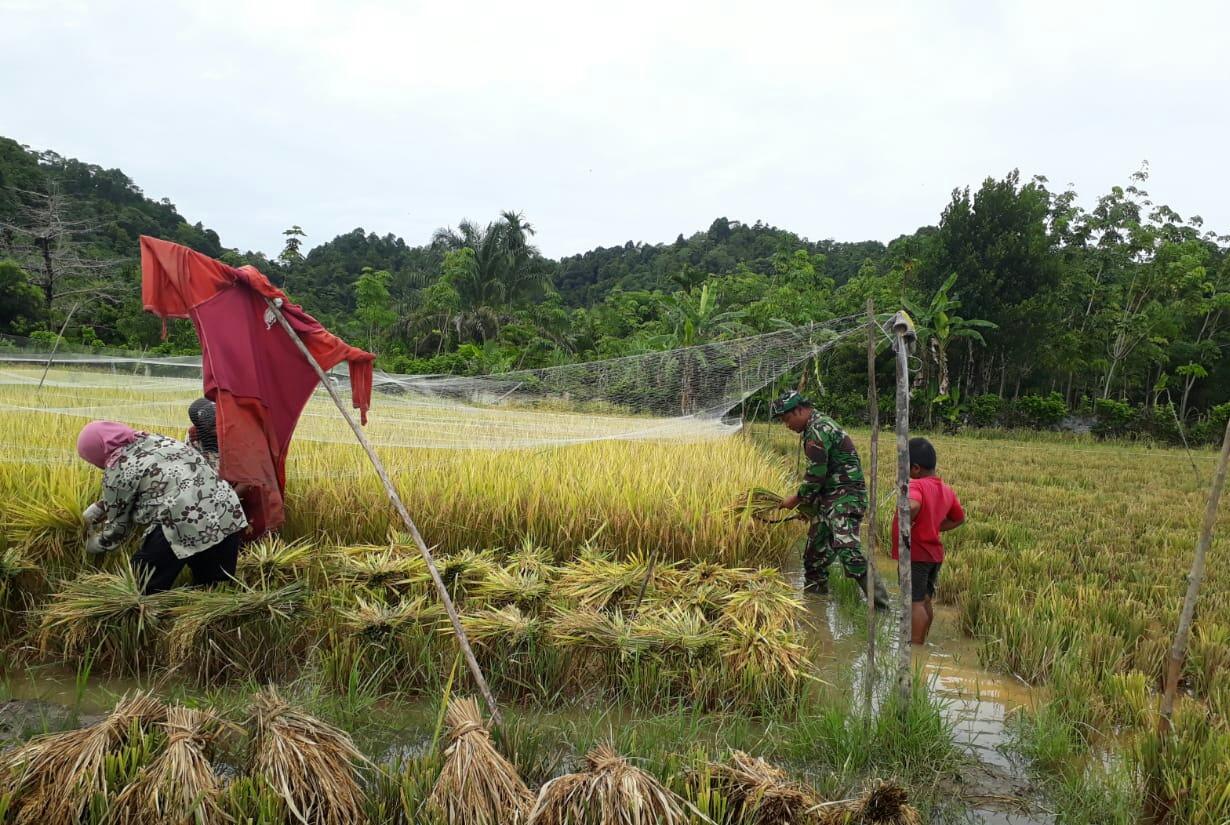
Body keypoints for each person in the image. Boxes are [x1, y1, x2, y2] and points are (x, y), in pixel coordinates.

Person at [76, 420, 248, 595]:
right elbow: (159, 480)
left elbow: (117, 527)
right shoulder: (155, 440)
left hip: (182, 517)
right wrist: (100, 506)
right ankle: (212, 619)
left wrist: (97, 543)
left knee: (141, 583)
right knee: (213, 586)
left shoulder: (116, 468)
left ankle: (146, 616)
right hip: (225, 507)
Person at [772, 390, 889, 608]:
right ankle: (815, 607)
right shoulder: (814, 427)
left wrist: (796, 500)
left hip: (845, 497)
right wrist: (811, 507)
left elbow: (816, 476)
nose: (787, 425)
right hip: (829, 498)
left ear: (799, 410)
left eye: (787, 419)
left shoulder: (818, 430)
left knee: (847, 550)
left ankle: (881, 607)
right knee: (814, 557)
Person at [892, 437, 965, 645]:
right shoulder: (945, 489)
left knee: (914, 603)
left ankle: (915, 647)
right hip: (933, 556)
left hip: (916, 553)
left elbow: (912, 506)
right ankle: (922, 639)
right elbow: (959, 519)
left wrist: (908, 520)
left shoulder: (916, 485)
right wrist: (934, 525)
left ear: (914, 468)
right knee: (924, 600)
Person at [186, 397, 220, 471]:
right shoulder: (194, 437)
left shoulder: (236, 431)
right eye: (213, 426)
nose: (218, 429)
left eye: (219, 423)